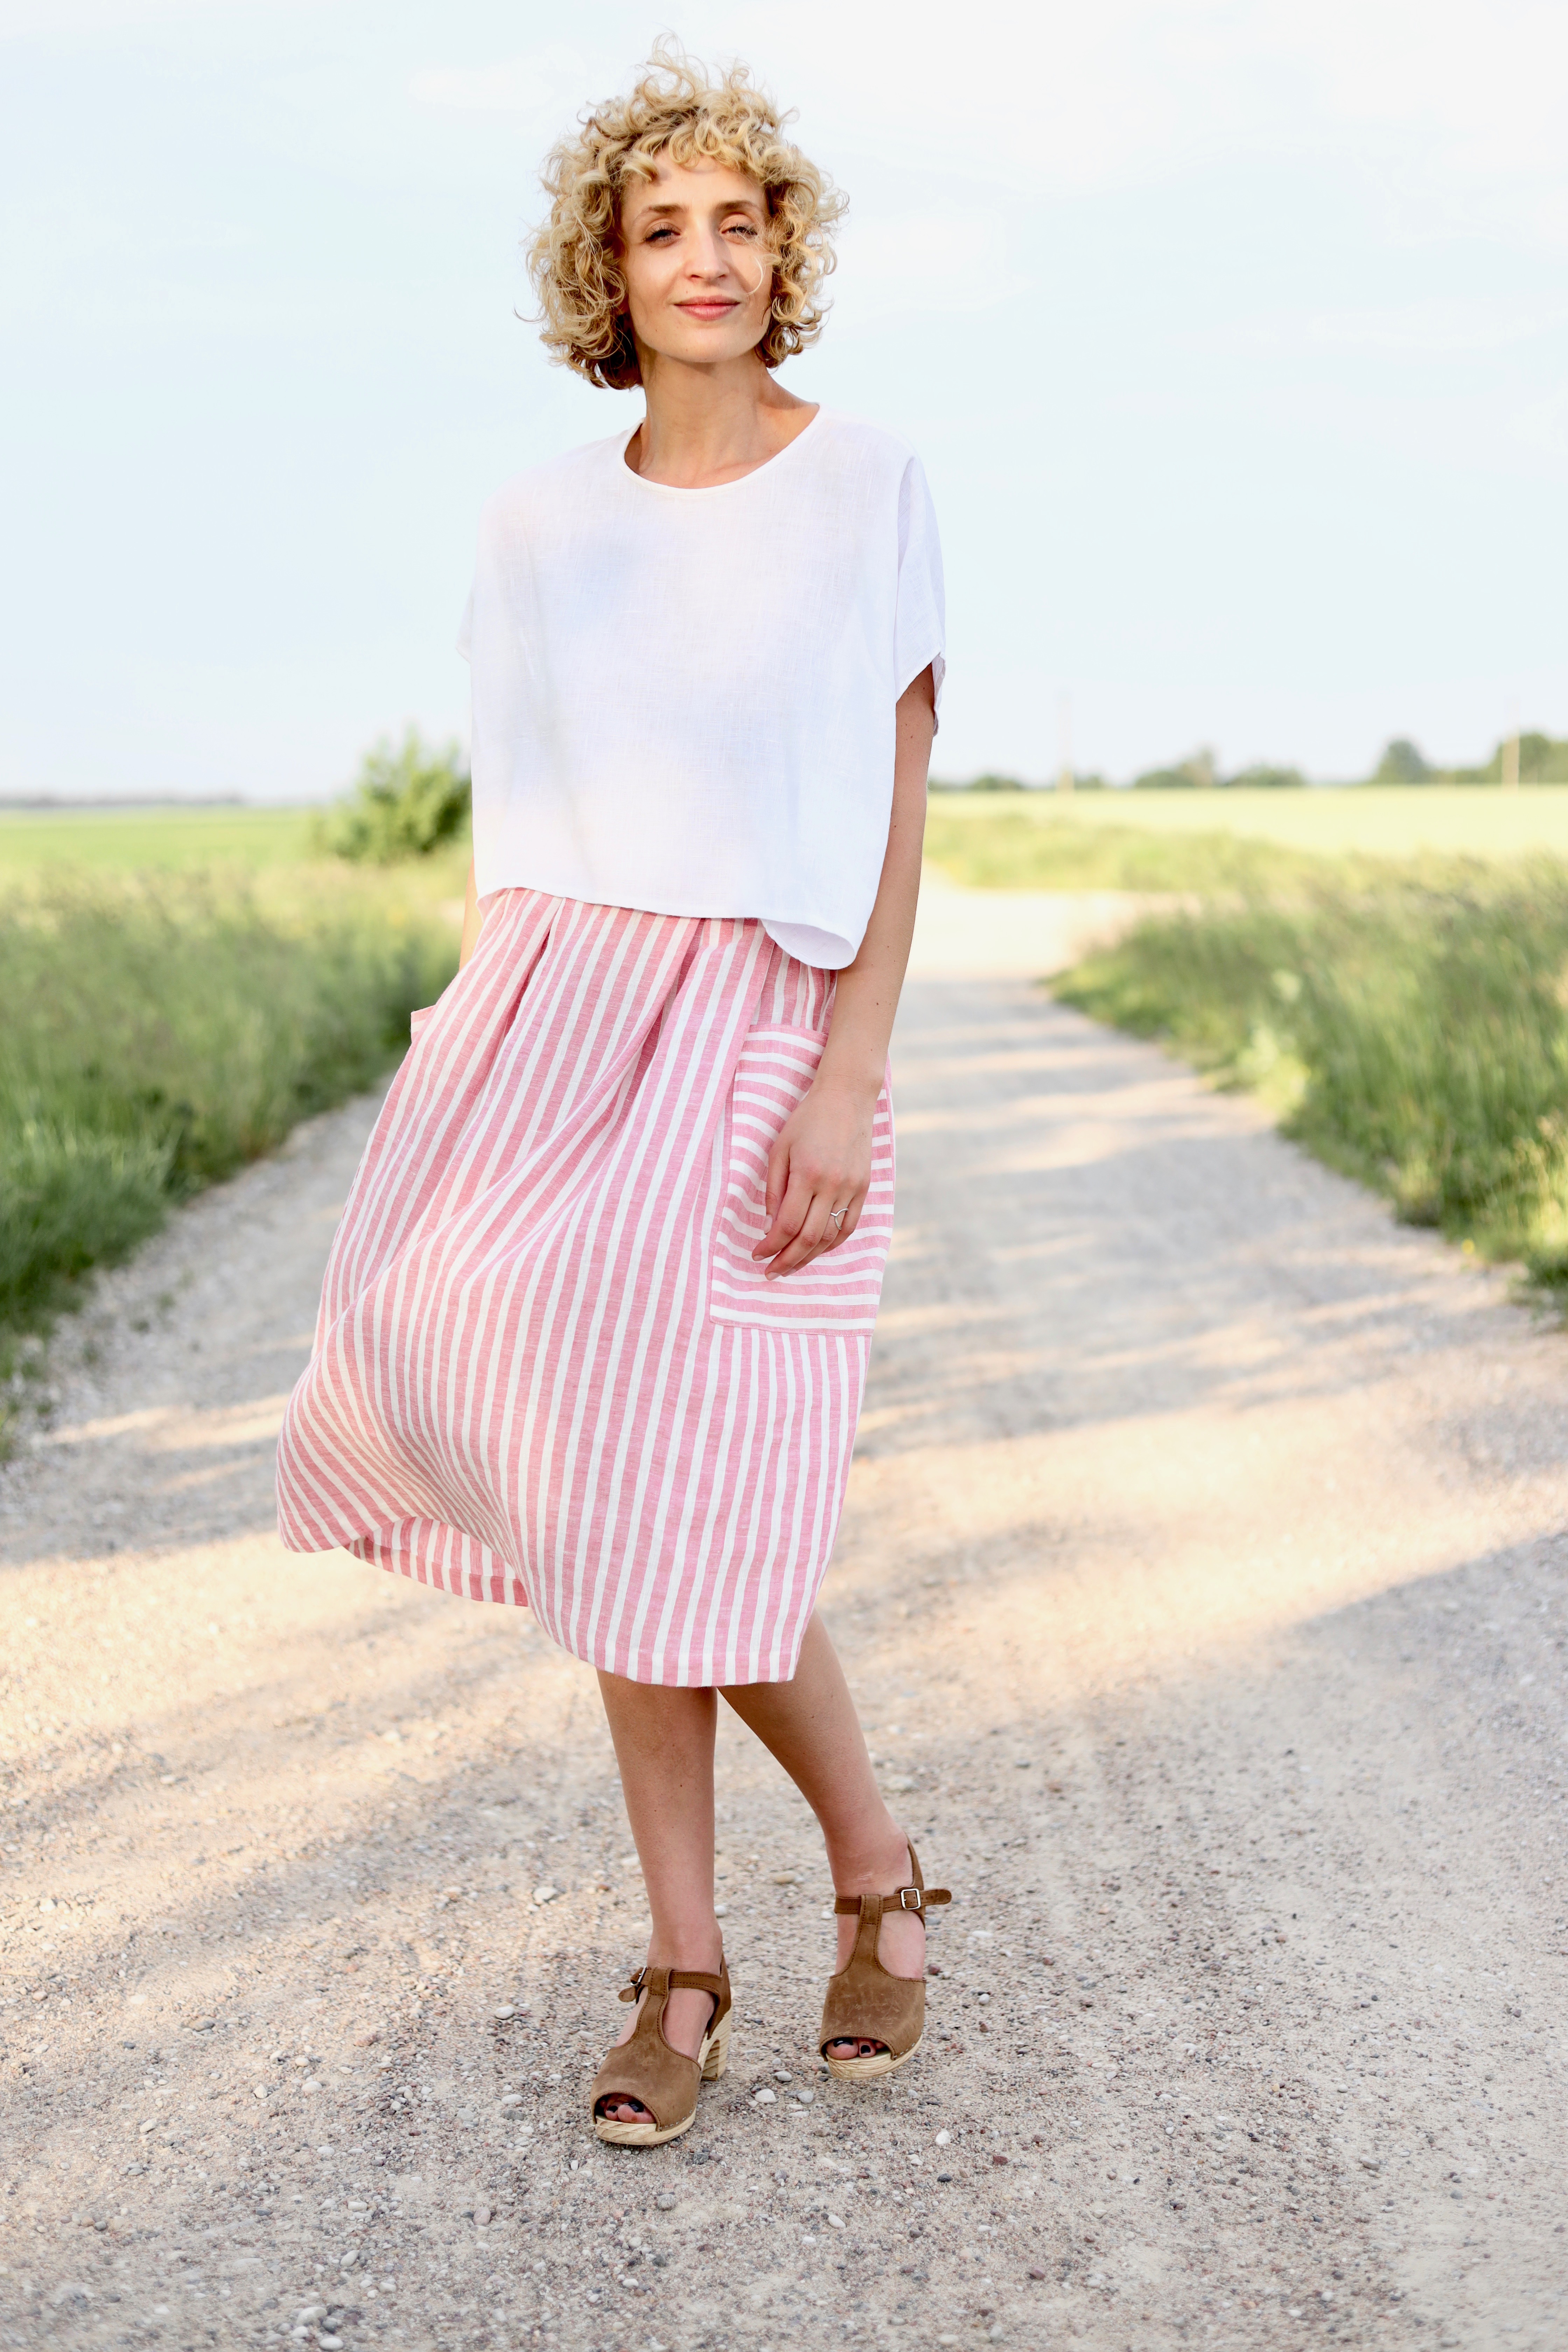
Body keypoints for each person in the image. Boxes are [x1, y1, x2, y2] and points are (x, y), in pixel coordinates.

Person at [275, 44, 950, 2148]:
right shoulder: (536, 522)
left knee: (696, 1499)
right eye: (664, 228)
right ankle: (690, 1956)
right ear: (610, 270)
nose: (708, 257)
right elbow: (524, 817)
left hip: (765, 1014)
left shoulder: (871, 486)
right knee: (598, 1477)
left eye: (741, 221)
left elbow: (906, 802)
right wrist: (467, 1046)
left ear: (786, 253)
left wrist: (851, 1067)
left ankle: (868, 1874)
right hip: (564, 1003)